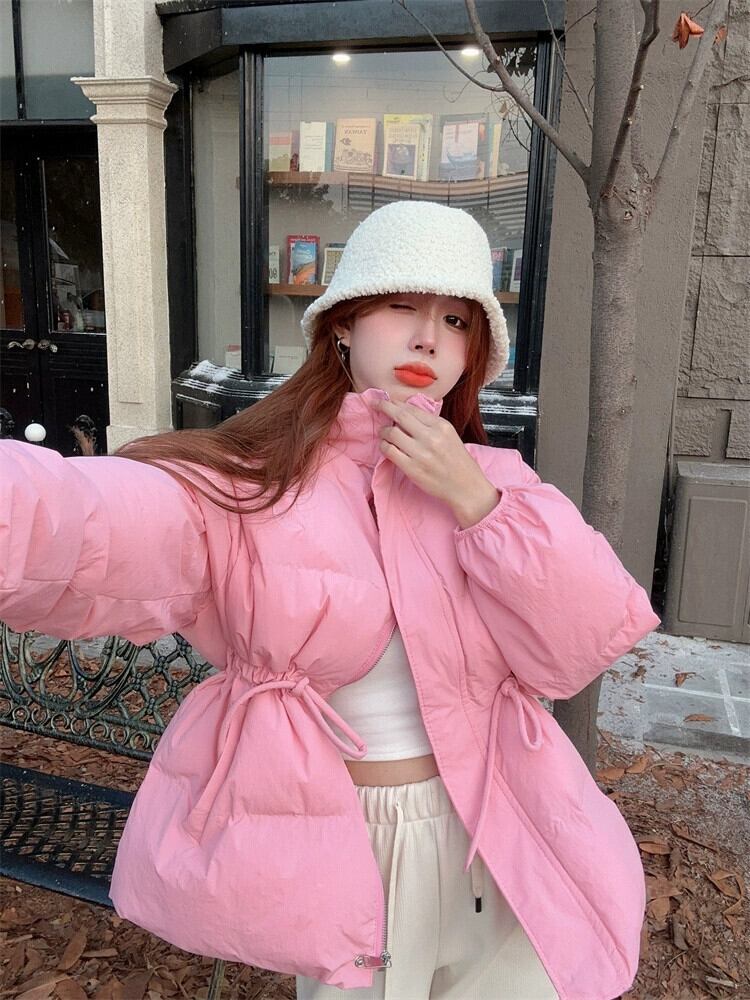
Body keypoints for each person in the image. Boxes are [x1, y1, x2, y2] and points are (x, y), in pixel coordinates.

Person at [0, 200, 660, 1000]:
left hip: (503, 831)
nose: (429, 338)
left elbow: (585, 639)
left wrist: (476, 503)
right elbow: (88, 519)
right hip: (359, 845)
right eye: (402, 306)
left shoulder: (500, 488)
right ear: (343, 324)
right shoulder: (252, 489)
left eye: (456, 320)